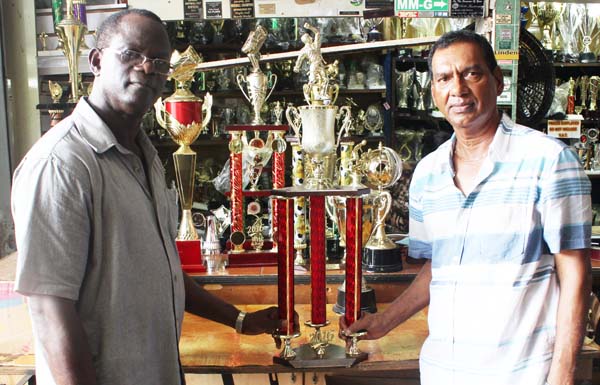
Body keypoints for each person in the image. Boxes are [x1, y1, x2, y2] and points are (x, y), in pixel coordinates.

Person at [12, 9, 291, 385]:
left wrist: (239, 319)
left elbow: (164, 272)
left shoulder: (146, 158)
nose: (147, 68)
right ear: (96, 61)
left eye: (160, 62)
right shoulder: (60, 164)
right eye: (131, 54)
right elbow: (49, 310)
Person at [341, 29, 592, 385]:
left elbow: (575, 277)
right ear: (434, 92)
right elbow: (438, 267)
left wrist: (563, 377)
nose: (457, 89)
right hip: (443, 371)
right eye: (444, 78)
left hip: (523, 373)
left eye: (471, 74)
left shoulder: (549, 161)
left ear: (498, 81)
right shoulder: (428, 173)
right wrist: (386, 320)